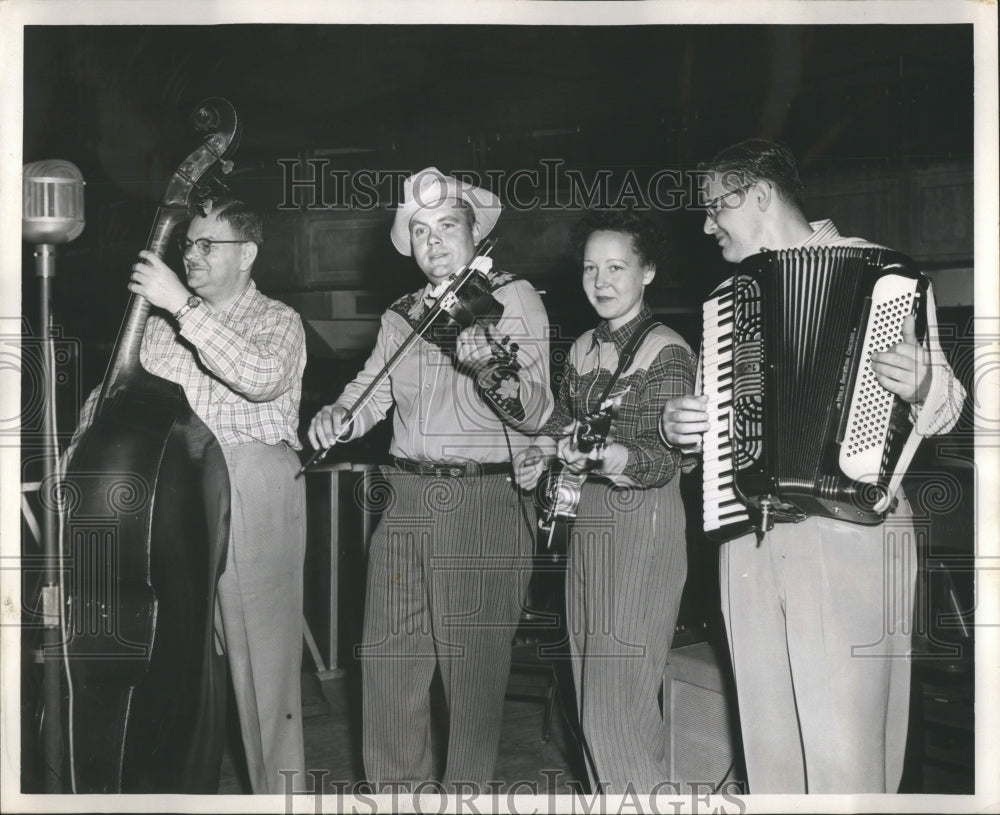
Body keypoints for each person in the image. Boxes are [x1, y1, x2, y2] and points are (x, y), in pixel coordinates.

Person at [660, 139, 967, 793]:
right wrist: (685, 430)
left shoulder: (880, 271)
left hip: (849, 536)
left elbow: (948, 402)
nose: (707, 225)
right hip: (747, 541)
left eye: (716, 207)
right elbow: (720, 431)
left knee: (846, 758)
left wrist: (919, 384)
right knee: (766, 749)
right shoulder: (727, 302)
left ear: (762, 195)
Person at [307, 168, 553, 792]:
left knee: (471, 683)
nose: (435, 241)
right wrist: (340, 413)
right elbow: (371, 388)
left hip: (483, 499)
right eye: (420, 231)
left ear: (475, 232)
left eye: (447, 225)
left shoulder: (513, 298)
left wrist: (487, 367)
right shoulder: (403, 314)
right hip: (407, 496)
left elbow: (536, 409)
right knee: (388, 668)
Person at [66, 197, 308, 794]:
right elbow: (107, 405)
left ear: (247, 255)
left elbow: (258, 379)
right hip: (171, 505)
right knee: (174, 668)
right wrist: (75, 465)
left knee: (262, 680)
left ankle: (283, 802)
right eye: (188, 244)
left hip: (251, 483)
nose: (191, 255)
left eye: (208, 246)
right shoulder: (154, 330)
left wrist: (180, 304)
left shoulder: (278, 320)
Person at [513, 209, 696, 793]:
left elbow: (664, 460)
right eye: (591, 268)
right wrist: (541, 452)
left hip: (643, 518)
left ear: (648, 273)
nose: (601, 280)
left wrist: (605, 456)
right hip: (587, 520)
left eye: (617, 267)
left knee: (620, 703)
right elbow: (564, 424)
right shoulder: (584, 348)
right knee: (593, 698)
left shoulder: (667, 350)